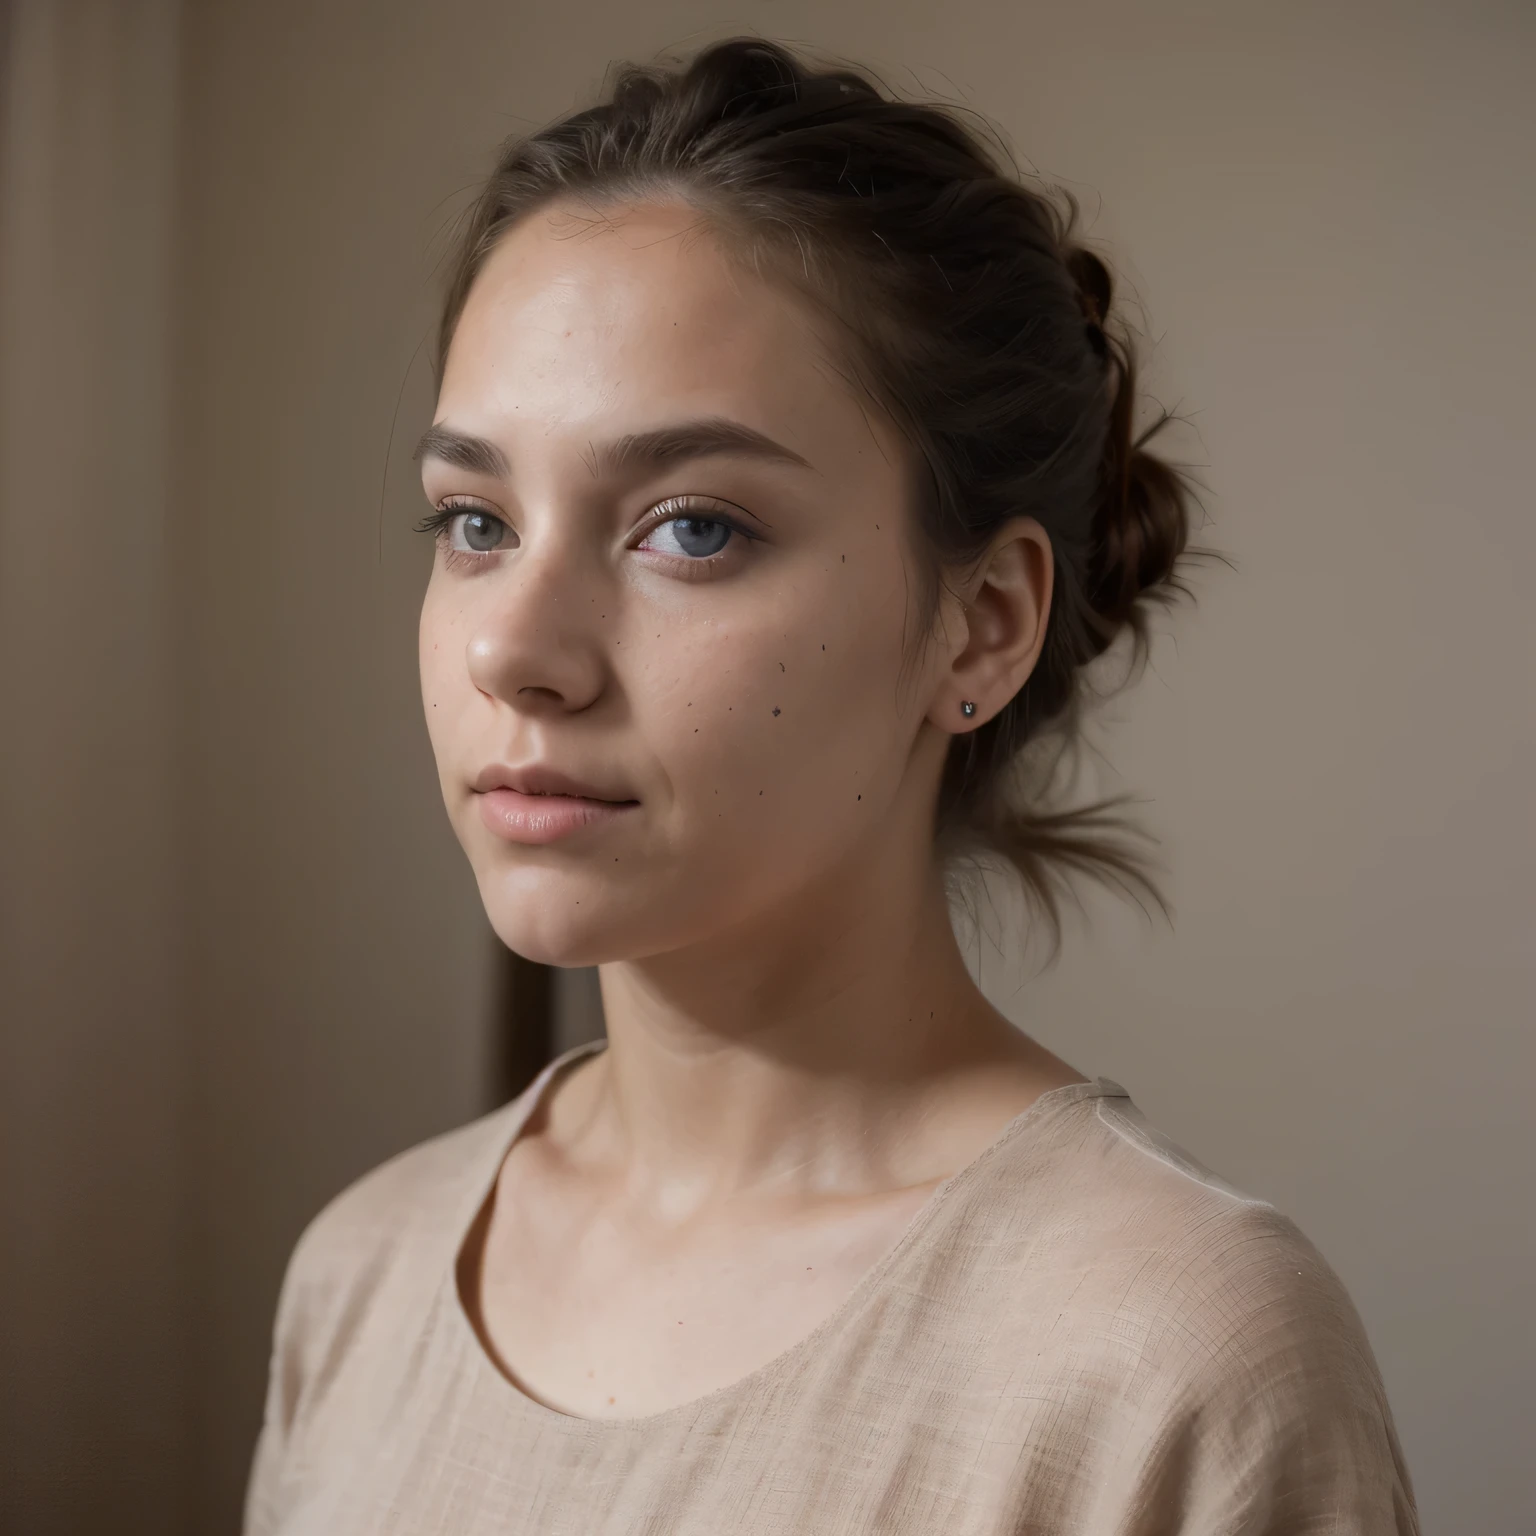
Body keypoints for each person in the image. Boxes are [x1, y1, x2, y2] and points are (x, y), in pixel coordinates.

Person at [243, 36, 1419, 1535]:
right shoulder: (363, 1278)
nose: (518, 652)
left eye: (692, 529)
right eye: (475, 522)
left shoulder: (1175, 1359)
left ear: (980, 621)